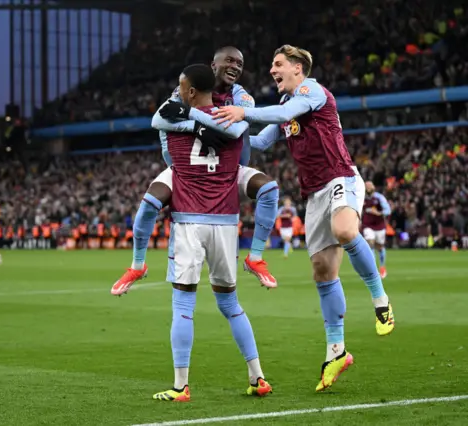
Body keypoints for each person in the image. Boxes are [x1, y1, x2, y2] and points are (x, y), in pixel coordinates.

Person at [212, 44, 395, 391]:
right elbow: (262, 140)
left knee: (344, 230)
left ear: (297, 68)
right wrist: (219, 121)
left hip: (340, 177)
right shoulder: (283, 105)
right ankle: (337, 352)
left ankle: (380, 299)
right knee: (323, 271)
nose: (272, 70)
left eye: (277, 64)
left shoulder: (311, 91)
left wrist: (243, 111)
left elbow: (283, 116)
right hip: (313, 193)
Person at [139, 64, 272, 402]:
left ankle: (181, 386)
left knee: (183, 304)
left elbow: (157, 119)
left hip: (188, 221)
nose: (179, 92)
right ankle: (258, 377)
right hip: (226, 223)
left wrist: (194, 122)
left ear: (192, 92)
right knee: (231, 303)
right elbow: (246, 129)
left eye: (182, 87)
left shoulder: (173, 119)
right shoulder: (233, 120)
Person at [110, 46, 279, 296]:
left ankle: (255, 258)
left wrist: (191, 116)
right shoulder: (187, 89)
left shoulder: (242, 98)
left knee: (269, 188)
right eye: (229, 61)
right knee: (148, 204)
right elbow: (157, 120)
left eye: (240, 64)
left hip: (229, 167)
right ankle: (137, 265)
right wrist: (197, 127)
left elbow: (234, 132)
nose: (235, 67)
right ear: (213, 65)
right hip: (181, 167)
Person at [361, 182, 391, 278]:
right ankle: (372, 270)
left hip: (379, 226)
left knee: (380, 247)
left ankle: (382, 267)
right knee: (370, 244)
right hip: (367, 225)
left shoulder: (379, 198)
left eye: (369, 187)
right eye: (366, 187)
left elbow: (388, 210)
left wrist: (378, 213)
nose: (368, 188)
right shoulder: (361, 198)